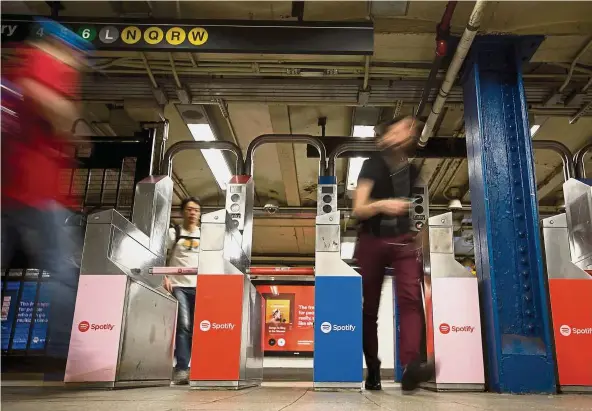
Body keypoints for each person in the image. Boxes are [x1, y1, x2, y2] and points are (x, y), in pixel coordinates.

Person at [1, 18, 92, 371]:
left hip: (10, 185)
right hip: (36, 189)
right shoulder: (47, 61)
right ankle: (63, 353)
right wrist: (70, 122)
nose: (78, 63)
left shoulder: (15, 65)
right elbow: (42, 96)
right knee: (61, 270)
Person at [353, 115, 435, 392]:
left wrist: (419, 240)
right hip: (372, 240)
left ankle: (411, 366)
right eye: (403, 126)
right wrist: (382, 204)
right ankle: (373, 367)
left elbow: (415, 212)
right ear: (387, 134)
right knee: (369, 309)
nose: (410, 131)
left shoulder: (412, 172)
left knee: (411, 299)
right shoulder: (371, 165)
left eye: (413, 128)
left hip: (403, 241)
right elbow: (359, 208)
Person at [164, 197, 201, 385]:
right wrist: (164, 276)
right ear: (182, 212)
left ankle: (198, 366)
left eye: (196, 210)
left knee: (198, 327)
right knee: (184, 325)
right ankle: (181, 369)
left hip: (199, 286)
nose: (192, 213)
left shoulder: (204, 235)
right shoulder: (174, 232)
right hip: (178, 285)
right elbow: (161, 253)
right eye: (189, 209)